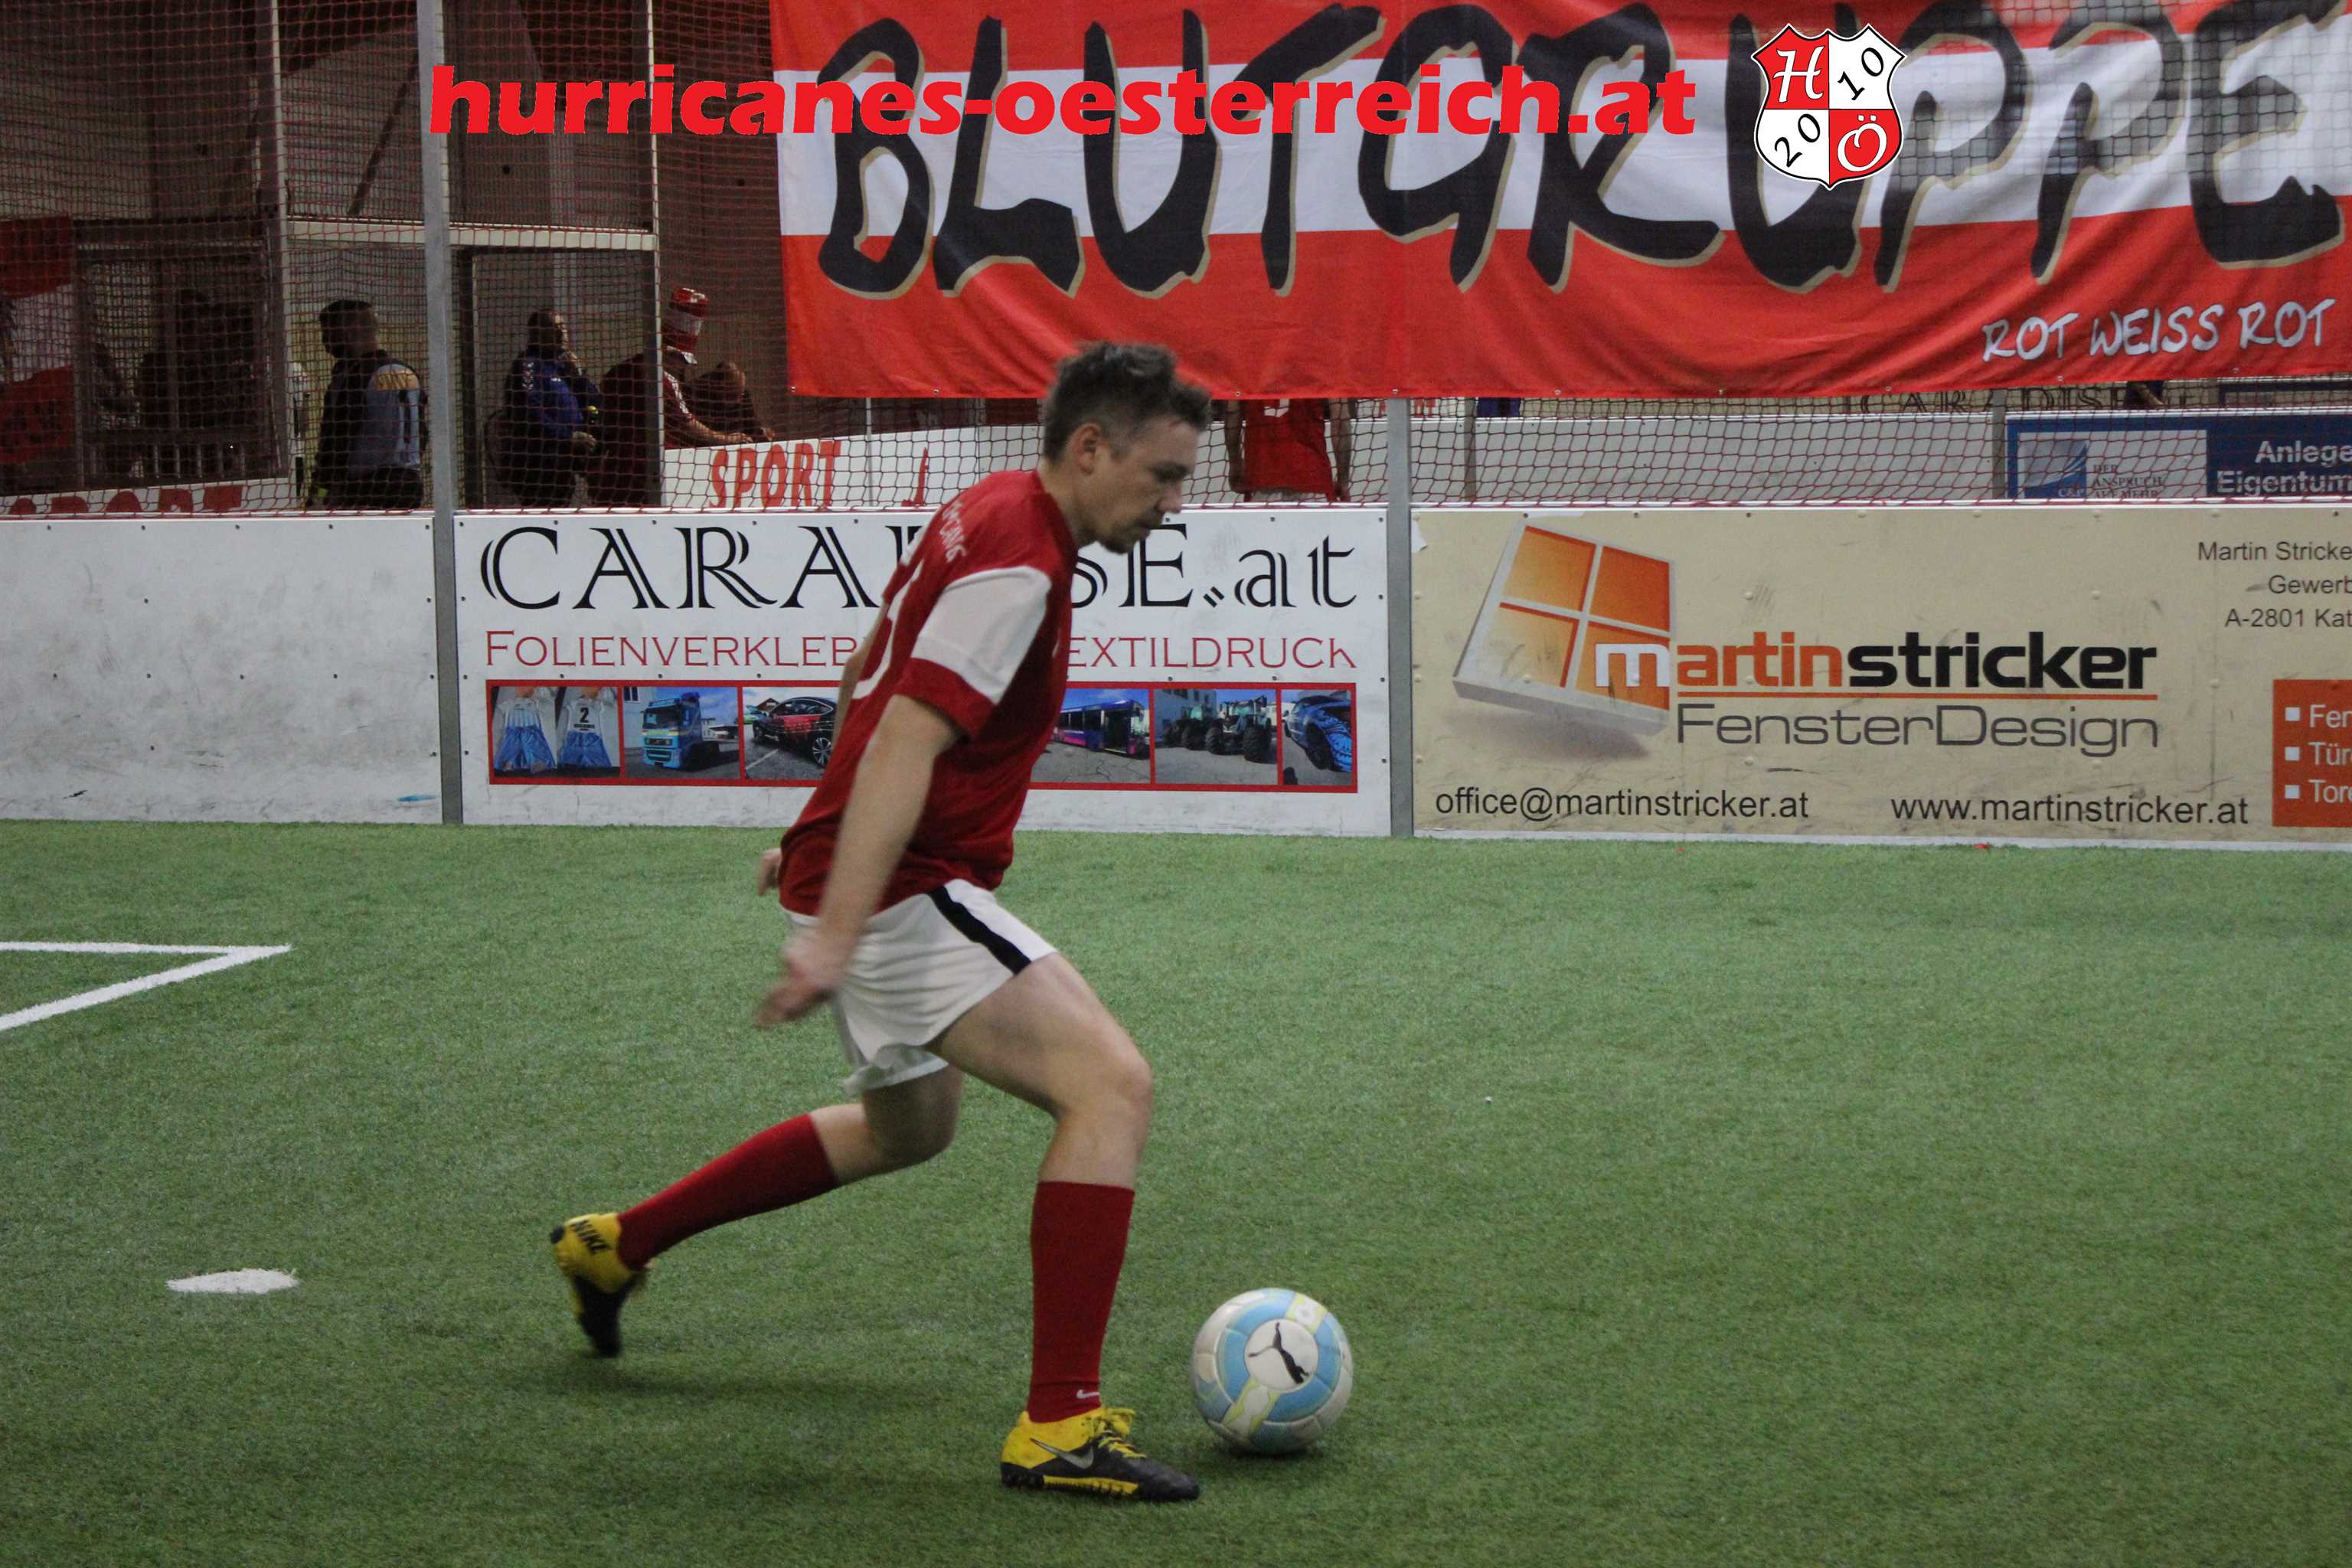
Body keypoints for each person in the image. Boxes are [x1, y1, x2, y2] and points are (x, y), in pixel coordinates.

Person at [551, 341, 1212, 1504]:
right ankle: (1059, 1426)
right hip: (908, 884)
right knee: (1111, 1088)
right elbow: (906, 730)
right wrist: (837, 925)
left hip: (878, 869)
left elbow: (872, 661)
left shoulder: (991, 507)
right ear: (1090, 448)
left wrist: (820, 838)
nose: (1172, 504)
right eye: (1162, 476)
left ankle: (616, 1243)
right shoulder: (1022, 564)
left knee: (909, 1129)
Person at [583, 286, 756, 506]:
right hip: (647, 475)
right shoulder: (662, 379)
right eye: (680, 360)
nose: (682, 367)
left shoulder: (620, 370)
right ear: (666, 352)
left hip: (615, 471)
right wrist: (728, 439)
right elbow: (687, 424)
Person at [309, 299, 423, 509]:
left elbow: (337, 442)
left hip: (365, 490)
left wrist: (318, 495)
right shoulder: (406, 372)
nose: (325, 343)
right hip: (408, 484)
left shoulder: (354, 375)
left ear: (349, 332)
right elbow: (421, 432)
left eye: (328, 334)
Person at [501, 310, 600, 507]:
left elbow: (594, 399)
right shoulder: (528, 366)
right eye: (553, 328)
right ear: (536, 334)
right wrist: (567, 437)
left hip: (568, 459)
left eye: (563, 327)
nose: (561, 334)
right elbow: (529, 412)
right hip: (540, 463)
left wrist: (579, 376)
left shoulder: (563, 365)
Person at [1223, 397, 1351, 501]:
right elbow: (1341, 422)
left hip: (1262, 475)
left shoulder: (1244, 370)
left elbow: (1232, 413)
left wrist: (1235, 464)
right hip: (1312, 476)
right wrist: (1343, 479)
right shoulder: (1327, 370)